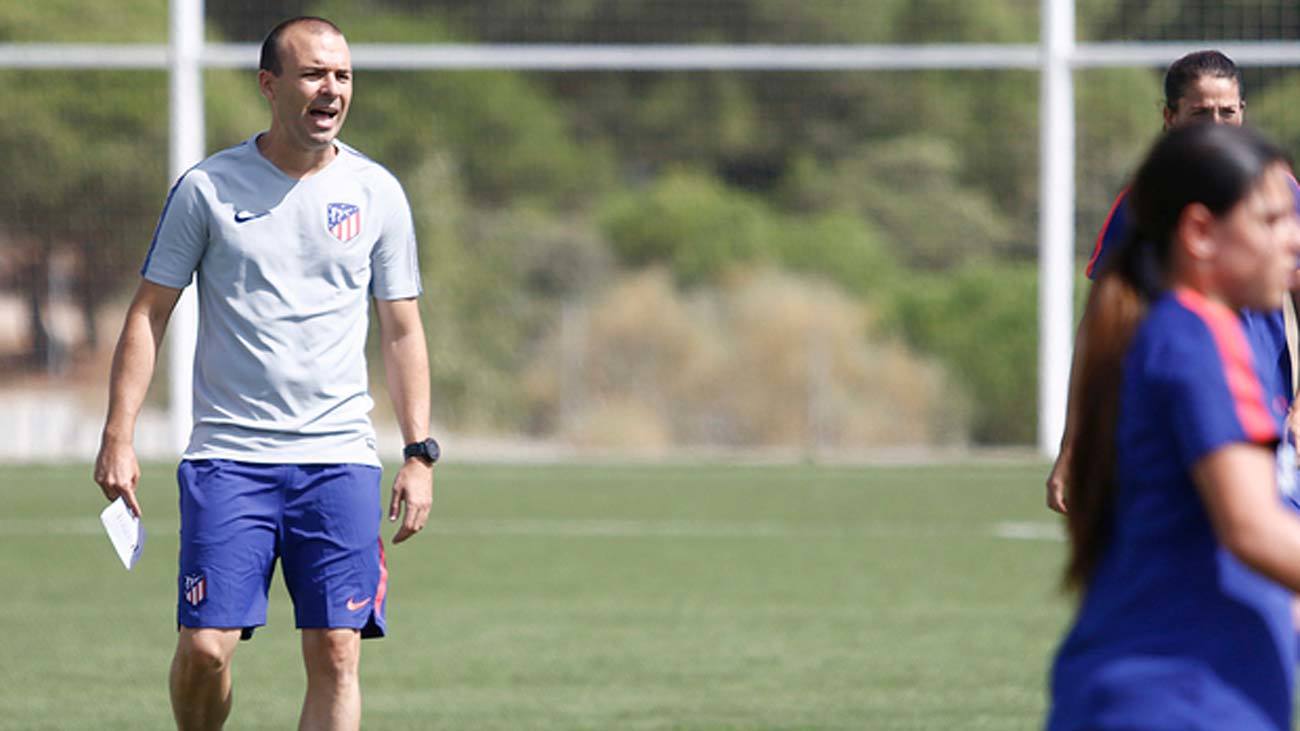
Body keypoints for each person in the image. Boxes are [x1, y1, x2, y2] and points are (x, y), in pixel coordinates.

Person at [91, 16, 436, 731]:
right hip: (229, 460)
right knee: (207, 649)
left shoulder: (378, 192)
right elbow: (148, 312)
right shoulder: (208, 188)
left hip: (337, 460)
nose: (331, 89)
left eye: (342, 75)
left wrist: (417, 449)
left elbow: (401, 329)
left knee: (338, 651)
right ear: (270, 85)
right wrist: (118, 434)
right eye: (314, 74)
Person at [1046, 122, 1300, 730]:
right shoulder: (1197, 338)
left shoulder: (1187, 333)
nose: (1292, 241)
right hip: (1173, 701)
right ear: (1199, 234)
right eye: (1269, 222)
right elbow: (1253, 529)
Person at [1047, 49, 1300, 513]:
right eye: (1201, 113)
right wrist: (1073, 444)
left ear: (1243, 112)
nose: (1217, 125)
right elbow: (1101, 326)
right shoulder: (1143, 204)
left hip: (1268, 416)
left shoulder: (1277, 191)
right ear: (1170, 117)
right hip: (1177, 415)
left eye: (1228, 112)